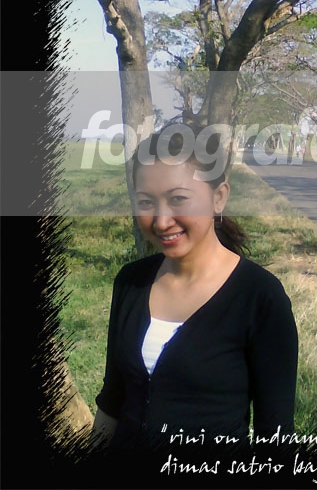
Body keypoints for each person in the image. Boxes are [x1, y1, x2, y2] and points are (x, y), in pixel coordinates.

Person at [91, 120, 299, 459]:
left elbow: (275, 437)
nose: (161, 221)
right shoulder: (131, 281)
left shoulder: (260, 297)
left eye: (178, 199)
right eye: (146, 202)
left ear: (219, 197)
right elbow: (113, 400)